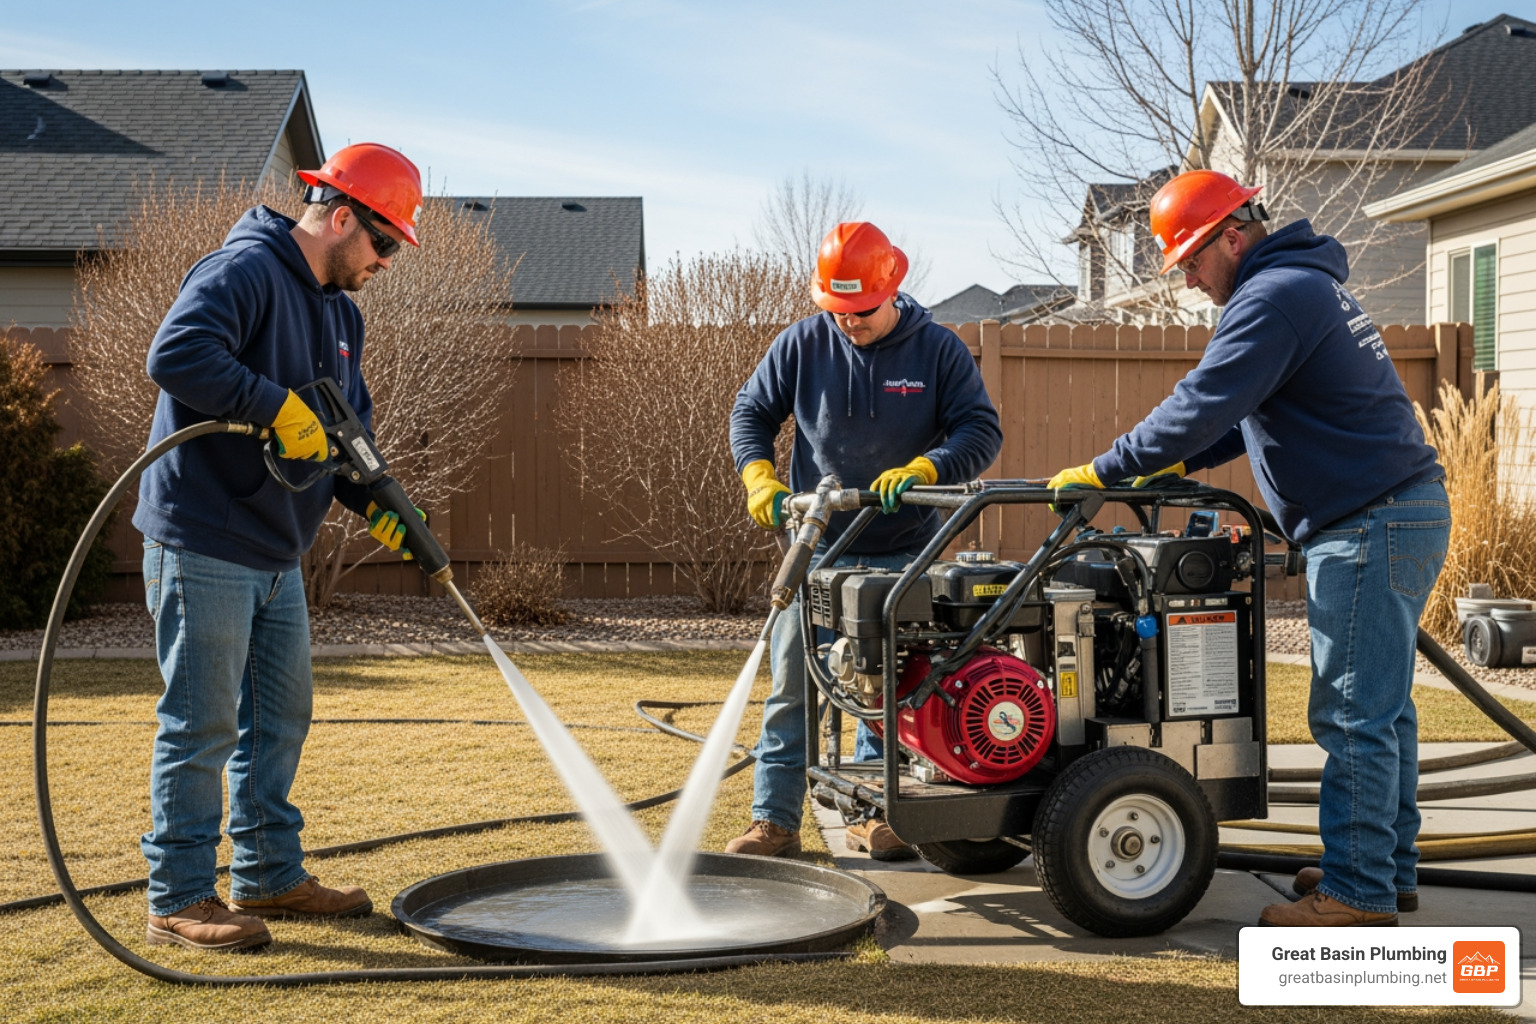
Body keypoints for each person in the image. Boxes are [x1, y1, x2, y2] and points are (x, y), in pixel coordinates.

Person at [1048, 169, 1449, 927]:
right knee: (1383, 710)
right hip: (1395, 513)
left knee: (1353, 712)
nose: (1190, 280)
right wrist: (1171, 466)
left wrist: (1107, 469)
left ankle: (1357, 895)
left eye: (1192, 260)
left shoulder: (1274, 296)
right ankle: (1383, 870)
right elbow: (1239, 418)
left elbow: (1203, 402)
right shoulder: (1301, 286)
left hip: (1369, 521)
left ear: (1232, 236)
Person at [133, 143, 427, 952]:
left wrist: (382, 503)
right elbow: (176, 355)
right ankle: (178, 897)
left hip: (275, 551)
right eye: (384, 243)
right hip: (203, 536)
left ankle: (267, 872)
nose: (386, 261)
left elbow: (344, 434)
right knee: (201, 725)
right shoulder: (245, 269)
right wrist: (273, 406)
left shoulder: (341, 315)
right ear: (341, 218)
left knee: (279, 718)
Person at [727, 222, 1003, 861]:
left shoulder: (937, 350)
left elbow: (979, 430)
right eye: (838, 311)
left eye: (861, 311)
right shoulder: (801, 344)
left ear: (892, 289)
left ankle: (874, 813)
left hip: (903, 550)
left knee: (888, 689)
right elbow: (751, 413)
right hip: (818, 546)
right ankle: (774, 821)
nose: (849, 322)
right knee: (793, 681)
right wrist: (758, 475)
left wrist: (928, 468)